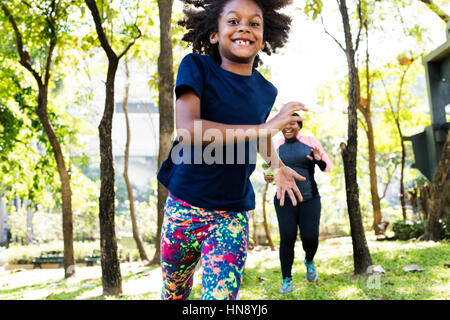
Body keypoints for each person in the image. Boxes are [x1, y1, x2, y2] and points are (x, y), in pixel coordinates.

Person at [157, 0, 307, 300]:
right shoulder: (196, 66)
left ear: (263, 38)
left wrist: (275, 165)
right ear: (214, 33)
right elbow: (188, 130)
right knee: (174, 294)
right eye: (234, 21)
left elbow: (257, 134)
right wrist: (266, 128)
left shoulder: (266, 90)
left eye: (254, 23)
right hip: (184, 206)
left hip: (231, 213)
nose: (244, 28)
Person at [264, 115, 332, 294]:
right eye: (284, 124)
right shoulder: (276, 145)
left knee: (310, 237)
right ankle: (287, 279)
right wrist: (268, 175)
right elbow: (268, 170)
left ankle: (309, 261)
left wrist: (317, 159)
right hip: (284, 199)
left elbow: (327, 167)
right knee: (287, 237)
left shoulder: (310, 141)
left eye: (292, 123)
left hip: (309, 198)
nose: (288, 127)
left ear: (299, 125)